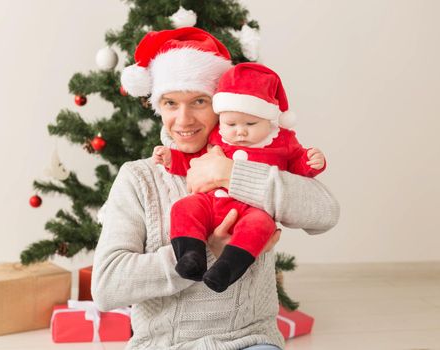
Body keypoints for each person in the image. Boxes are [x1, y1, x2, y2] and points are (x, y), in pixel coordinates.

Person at [91, 27, 339, 350]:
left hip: (248, 340)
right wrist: (209, 251)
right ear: (158, 107)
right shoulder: (139, 178)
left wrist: (233, 174)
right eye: (170, 103)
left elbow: (326, 213)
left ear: (223, 106)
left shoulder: (257, 165)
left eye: (199, 101)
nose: (183, 119)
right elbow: (107, 286)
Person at [152, 62, 327, 293]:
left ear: (269, 121)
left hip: (252, 209)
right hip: (211, 202)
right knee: (184, 208)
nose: (240, 132)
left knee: (260, 225)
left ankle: (229, 266)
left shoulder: (282, 141)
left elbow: (300, 168)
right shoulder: (218, 137)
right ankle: (190, 255)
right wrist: (171, 159)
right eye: (231, 124)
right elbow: (192, 161)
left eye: (199, 101)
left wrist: (310, 162)